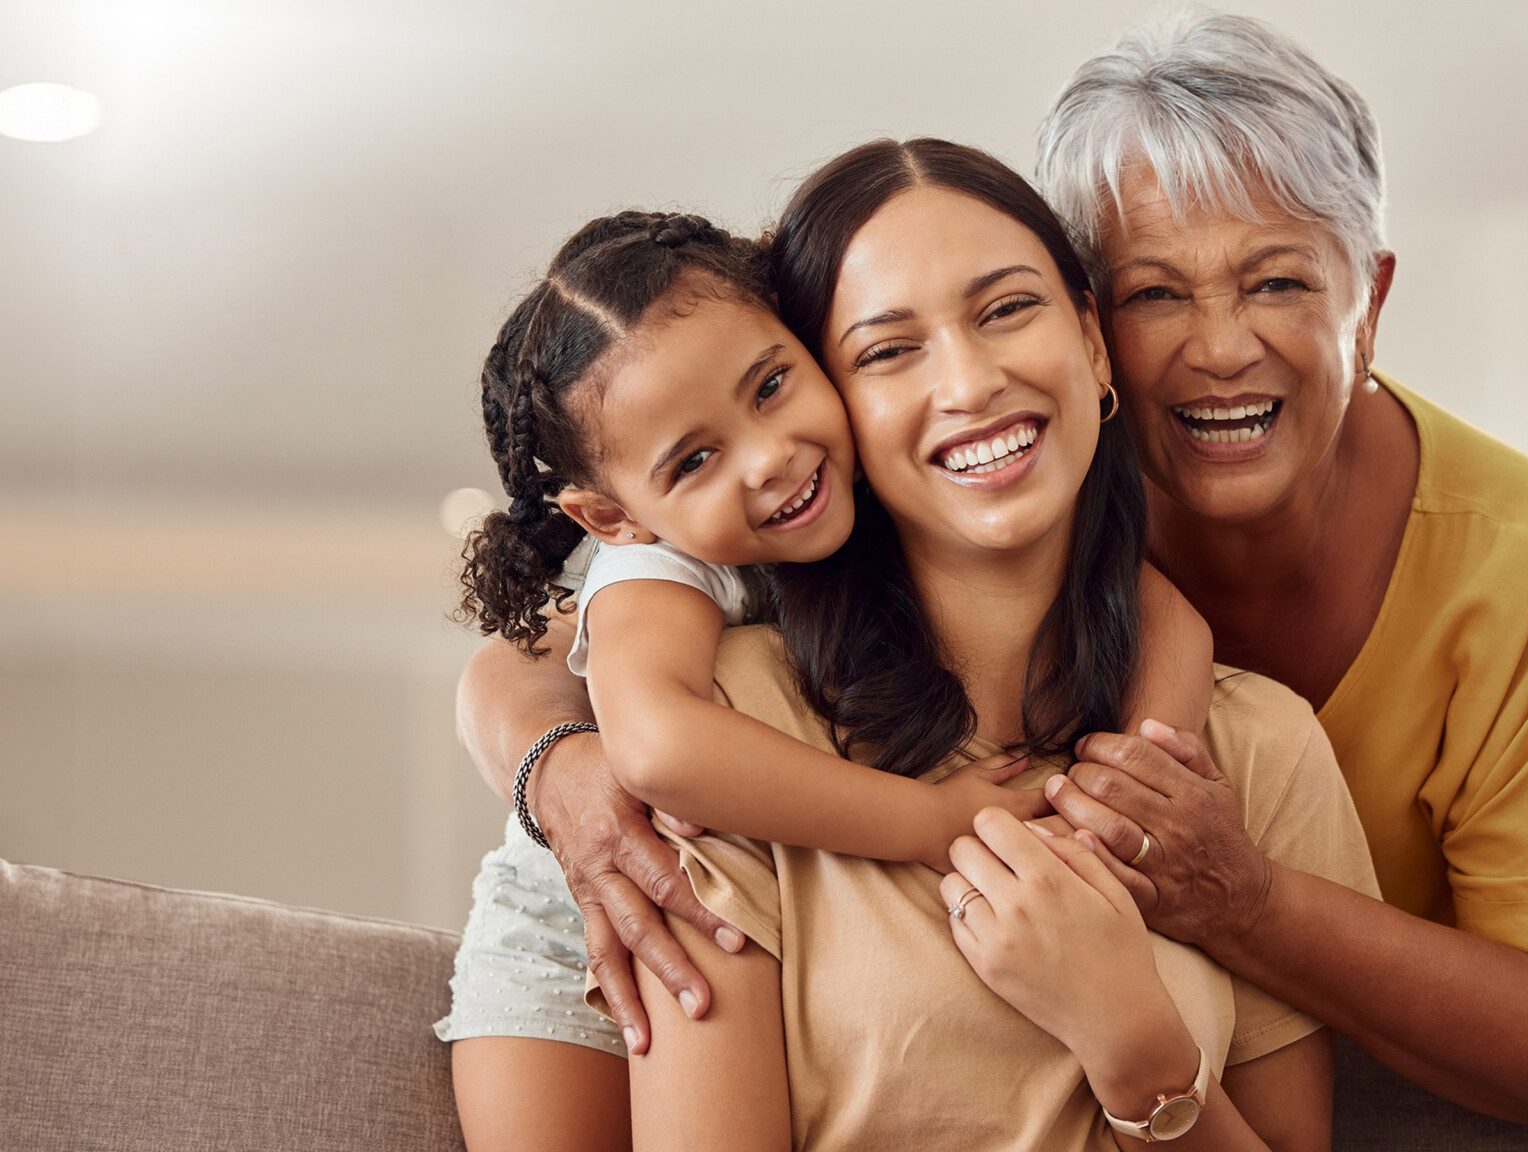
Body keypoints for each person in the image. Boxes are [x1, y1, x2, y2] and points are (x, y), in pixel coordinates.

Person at [459, 11, 1528, 1141]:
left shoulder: (1466, 579)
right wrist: (558, 760)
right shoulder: (827, 565)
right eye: (1158, 292)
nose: (1217, 352)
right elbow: (578, 640)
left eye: (1276, 280)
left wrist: (1176, 962)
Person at [468, 137, 1380, 1150]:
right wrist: (549, 756)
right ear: (849, 396)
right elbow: (569, 690)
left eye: (1005, 310)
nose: (969, 382)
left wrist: (1132, 1043)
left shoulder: (1260, 745)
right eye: (887, 350)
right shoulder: (729, 716)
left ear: (1091, 342)